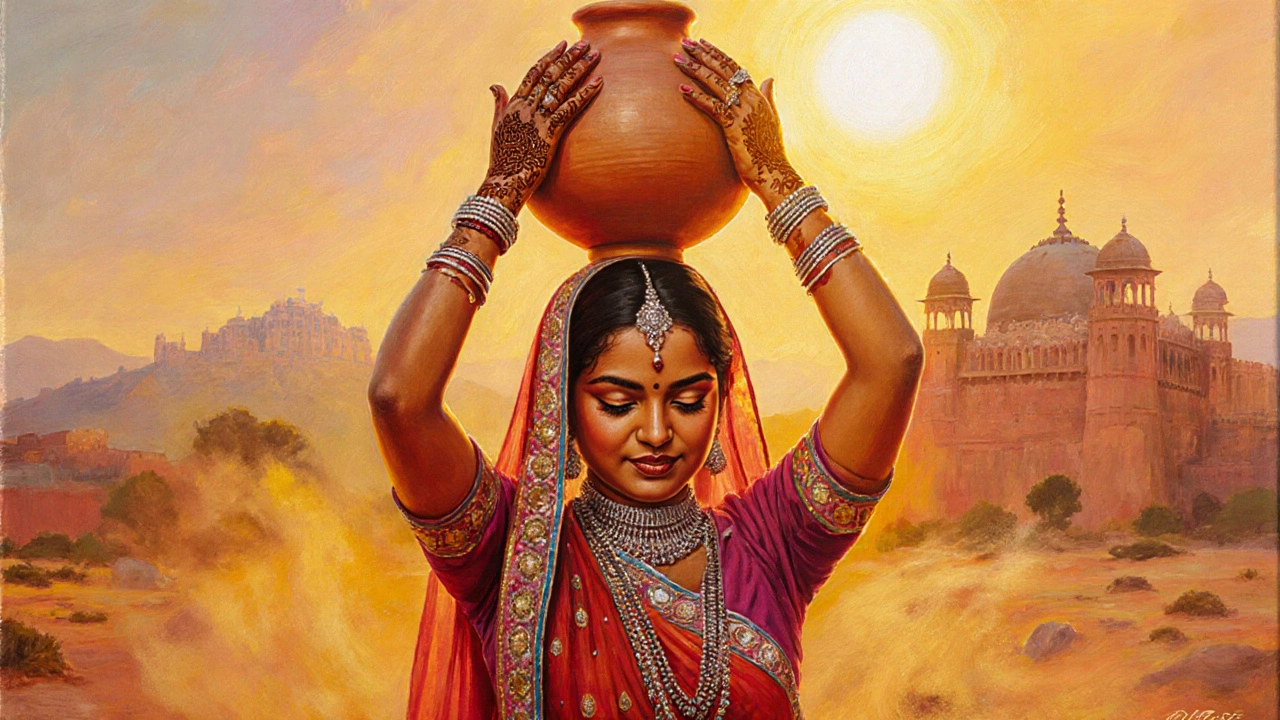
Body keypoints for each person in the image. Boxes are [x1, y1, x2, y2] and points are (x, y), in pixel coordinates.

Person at [368, 36, 923, 720]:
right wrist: (499, 197)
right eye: (616, 400)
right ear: (561, 402)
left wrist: (780, 184)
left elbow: (892, 364)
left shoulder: (771, 544)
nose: (656, 433)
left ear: (723, 397)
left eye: (689, 400)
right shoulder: (513, 559)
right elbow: (398, 399)